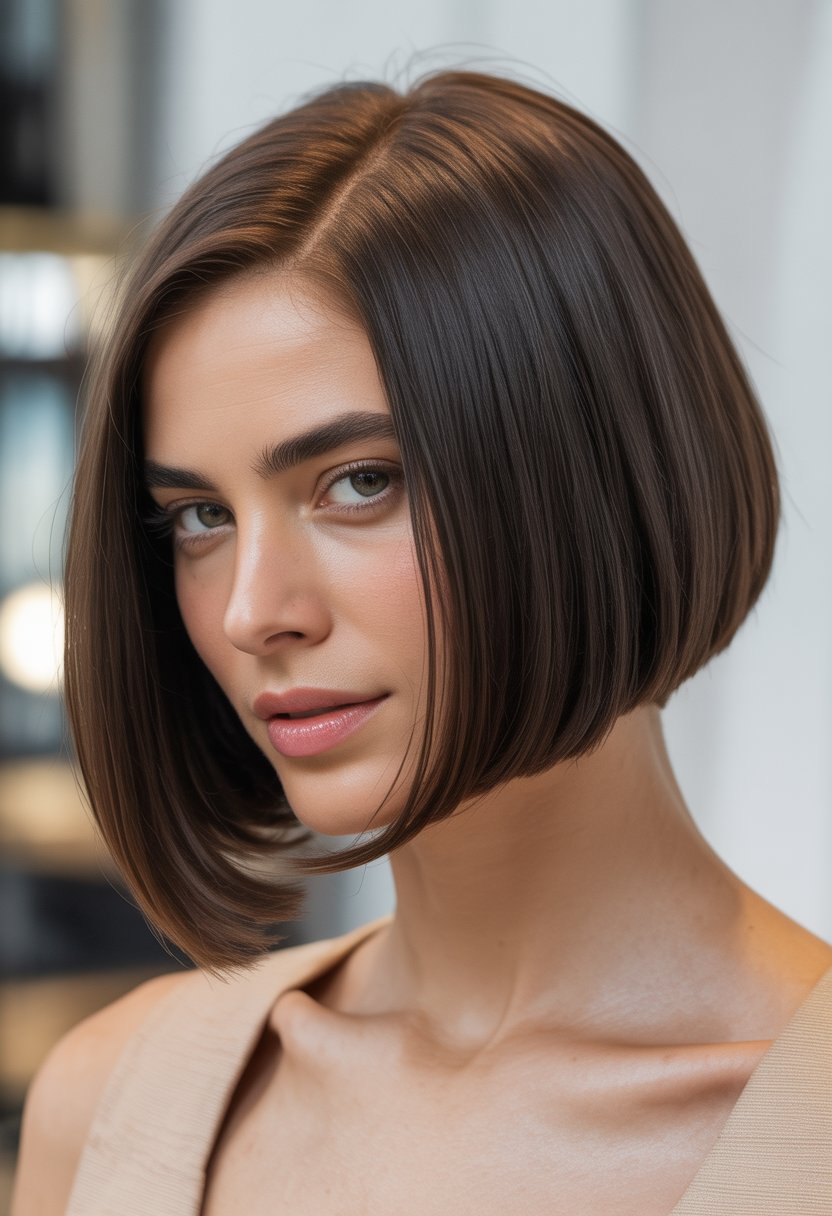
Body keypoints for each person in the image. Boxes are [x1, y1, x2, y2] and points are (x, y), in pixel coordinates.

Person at [11, 68, 832, 1215]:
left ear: (592, 472)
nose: (254, 609)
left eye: (358, 482)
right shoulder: (109, 1108)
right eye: (200, 515)